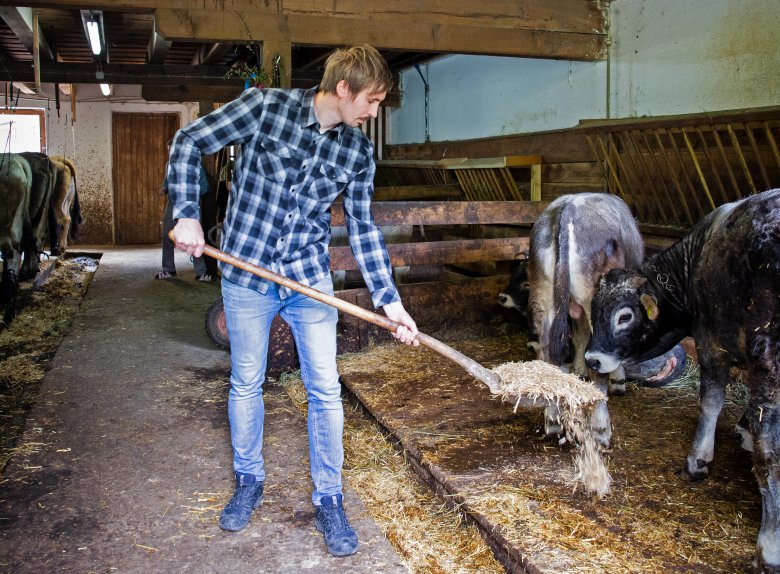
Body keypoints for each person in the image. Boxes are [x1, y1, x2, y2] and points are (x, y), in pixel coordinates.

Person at [167, 45, 419, 557]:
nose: (374, 113)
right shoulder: (265, 107)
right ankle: (248, 480)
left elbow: (364, 230)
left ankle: (329, 497)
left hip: (308, 278)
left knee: (325, 386)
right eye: (371, 101)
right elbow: (189, 139)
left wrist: (390, 302)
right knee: (247, 380)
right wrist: (188, 211)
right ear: (343, 89)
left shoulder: (356, 152)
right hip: (246, 273)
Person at [155, 141, 217, 281]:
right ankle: (168, 270)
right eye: (169, 151)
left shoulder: (196, 164)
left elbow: (204, 186)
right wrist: (164, 189)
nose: (171, 154)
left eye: (173, 150)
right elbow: (167, 183)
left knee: (195, 237)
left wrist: (188, 195)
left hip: (192, 204)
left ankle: (201, 272)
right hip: (173, 203)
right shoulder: (169, 164)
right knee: (166, 235)